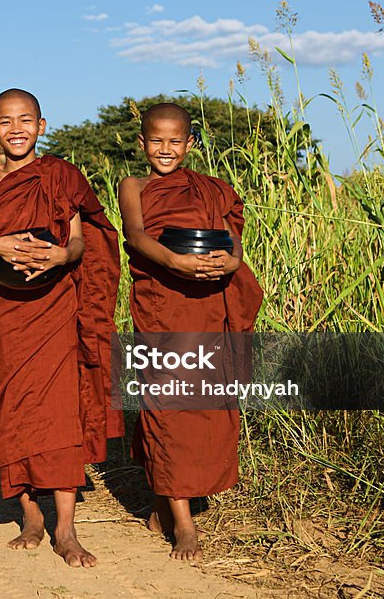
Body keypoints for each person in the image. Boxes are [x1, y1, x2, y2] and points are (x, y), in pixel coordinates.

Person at [0, 88, 122, 568]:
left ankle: (66, 529)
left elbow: (77, 240)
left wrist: (61, 255)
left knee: (59, 406)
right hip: (6, 304)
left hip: (55, 301)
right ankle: (31, 515)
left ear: (42, 125)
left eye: (25, 120)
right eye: (5, 122)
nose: (16, 129)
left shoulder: (61, 175)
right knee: (12, 401)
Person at [118, 102, 263, 561]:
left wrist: (233, 263)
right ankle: (184, 524)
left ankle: (165, 503)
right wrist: (176, 261)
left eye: (174, 141)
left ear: (190, 144)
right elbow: (137, 237)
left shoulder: (212, 189)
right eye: (156, 141)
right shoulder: (134, 186)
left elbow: (230, 238)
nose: (165, 149)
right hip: (163, 304)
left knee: (202, 406)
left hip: (206, 303)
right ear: (142, 143)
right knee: (166, 405)